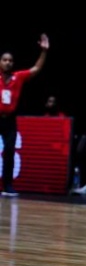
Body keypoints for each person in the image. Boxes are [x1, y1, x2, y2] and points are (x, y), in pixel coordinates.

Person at [0, 33, 49, 196]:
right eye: (5, 60)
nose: (8, 63)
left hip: (10, 121)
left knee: (9, 152)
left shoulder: (18, 77)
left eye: (10, 60)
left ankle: (7, 186)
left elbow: (36, 69)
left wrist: (44, 52)